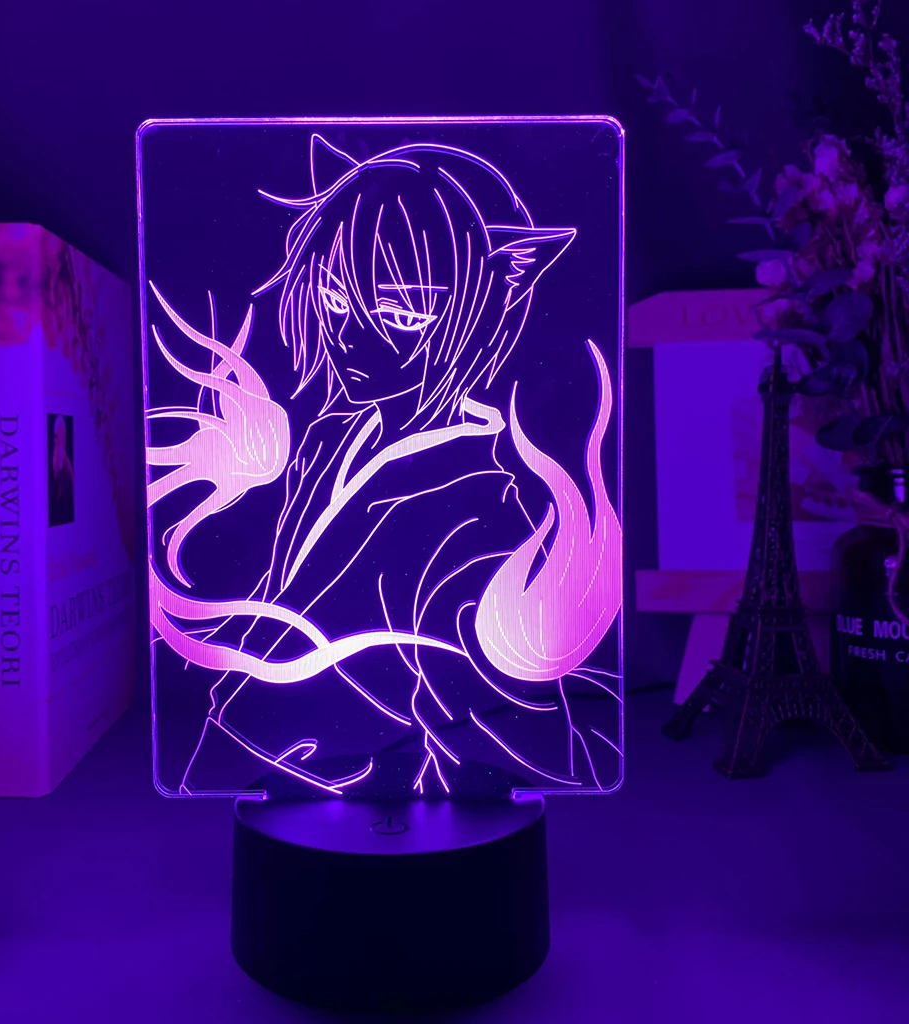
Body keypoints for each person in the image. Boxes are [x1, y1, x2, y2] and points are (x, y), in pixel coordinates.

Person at [147, 136, 622, 796]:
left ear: (499, 295)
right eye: (336, 301)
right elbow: (278, 604)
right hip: (259, 770)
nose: (351, 340)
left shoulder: (485, 508)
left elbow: (499, 734)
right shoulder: (332, 435)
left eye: (402, 312)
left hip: (356, 780)